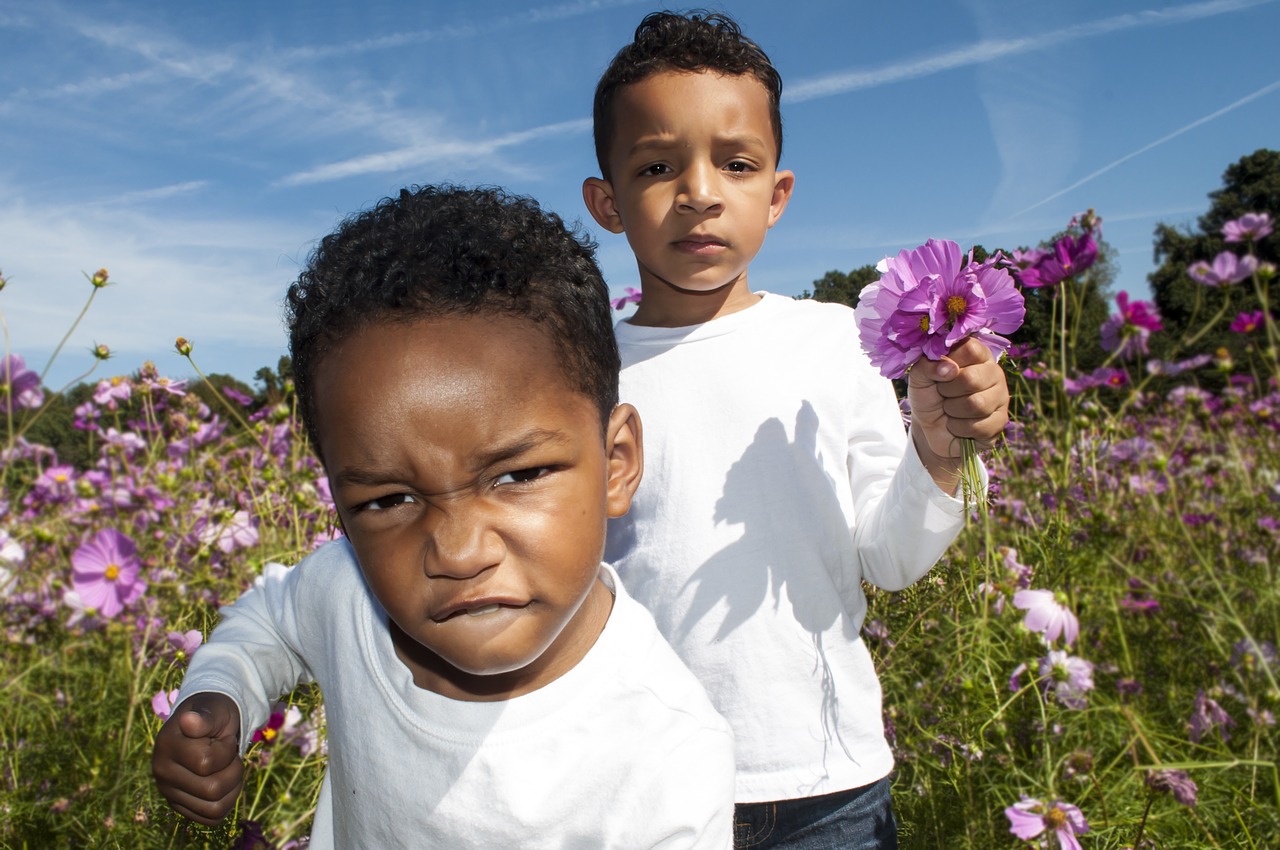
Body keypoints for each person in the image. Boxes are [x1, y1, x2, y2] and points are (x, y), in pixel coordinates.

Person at [151, 185, 736, 849]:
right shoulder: (346, 594)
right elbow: (264, 623)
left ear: (618, 462)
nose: (459, 553)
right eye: (388, 501)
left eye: (518, 475)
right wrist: (220, 696)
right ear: (340, 506)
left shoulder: (668, 759)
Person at [581, 12, 1011, 849]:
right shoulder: (582, 369)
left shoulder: (833, 339)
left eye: (736, 164)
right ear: (607, 202)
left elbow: (890, 557)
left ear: (777, 194)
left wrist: (937, 447)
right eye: (658, 165)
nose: (700, 192)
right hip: (641, 783)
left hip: (827, 783)